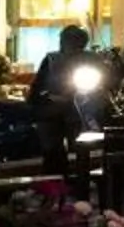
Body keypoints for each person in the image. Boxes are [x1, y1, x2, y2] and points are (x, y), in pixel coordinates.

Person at [27, 26, 106, 167]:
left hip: (84, 107)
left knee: (90, 141)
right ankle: (55, 179)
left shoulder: (92, 59)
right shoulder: (52, 60)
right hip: (55, 110)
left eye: (76, 42)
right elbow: (37, 88)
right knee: (52, 148)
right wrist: (46, 98)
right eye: (69, 41)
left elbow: (106, 80)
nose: (71, 46)